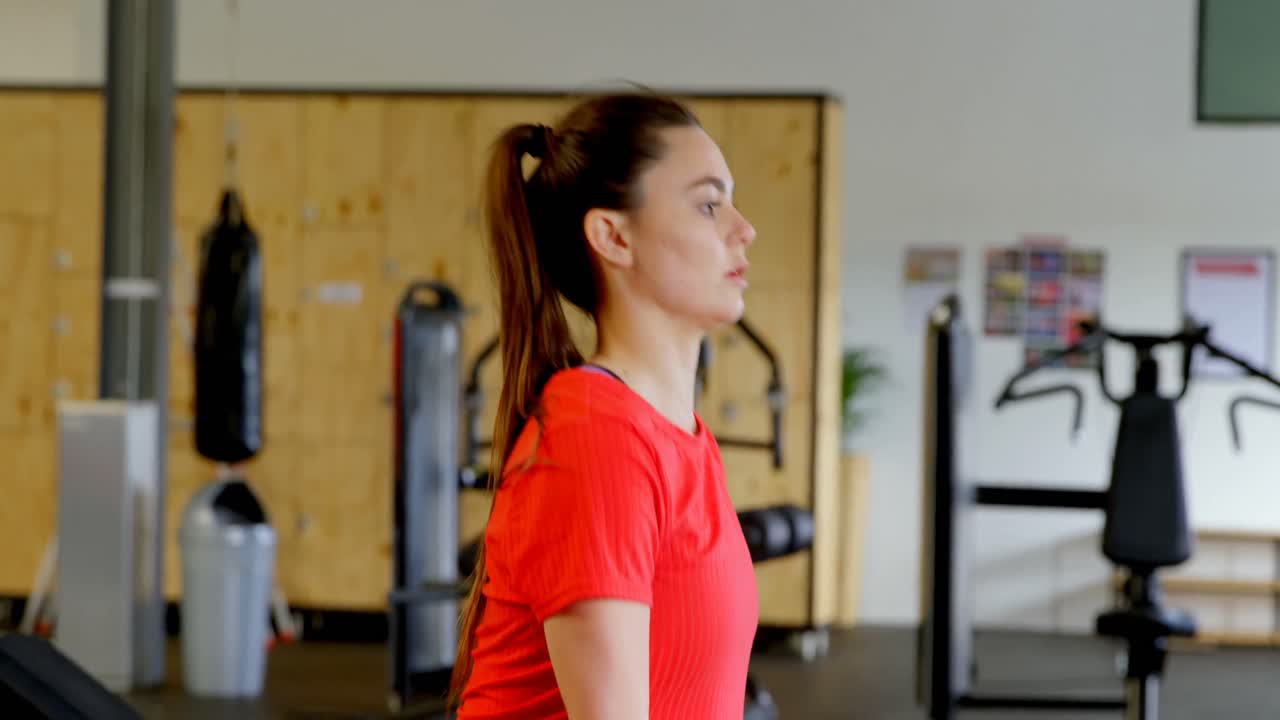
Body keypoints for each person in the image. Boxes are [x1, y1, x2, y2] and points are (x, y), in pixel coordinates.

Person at [450, 92, 760, 720]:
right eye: (708, 205)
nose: (743, 228)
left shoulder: (681, 437)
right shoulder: (596, 437)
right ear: (613, 237)